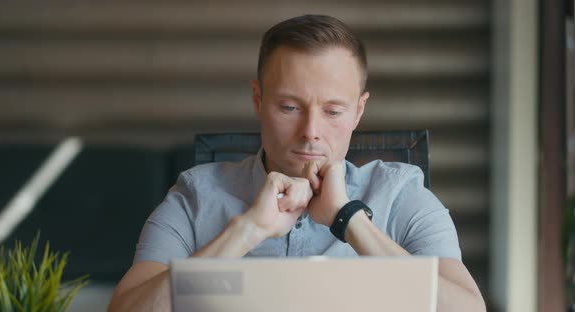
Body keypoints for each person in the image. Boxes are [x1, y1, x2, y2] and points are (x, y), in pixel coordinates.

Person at [108, 14, 486, 312]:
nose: (310, 131)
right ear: (258, 99)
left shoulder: (402, 194)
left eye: (333, 111)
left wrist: (350, 219)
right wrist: (247, 231)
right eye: (290, 107)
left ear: (359, 110)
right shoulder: (196, 195)